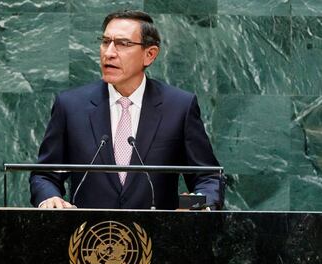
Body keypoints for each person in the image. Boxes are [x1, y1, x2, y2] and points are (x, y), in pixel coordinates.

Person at [30, 10, 223, 210]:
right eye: (105, 42)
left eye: (123, 44)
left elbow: (209, 178)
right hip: (89, 237)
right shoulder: (71, 106)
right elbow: (45, 174)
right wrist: (49, 198)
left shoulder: (179, 107)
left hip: (158, 237)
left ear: (149, 55)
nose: (109, 52)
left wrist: (197, 205)